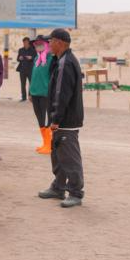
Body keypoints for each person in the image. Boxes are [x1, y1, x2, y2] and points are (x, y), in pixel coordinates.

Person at [37, 28, 84, 208]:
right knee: (58, 155)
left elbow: (61, 94)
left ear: (60, 43)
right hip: (61, 119)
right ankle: (58, 187)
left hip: (66, 120)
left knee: (70, 157)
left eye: (51, 41)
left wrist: (56, 119)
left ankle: (76, 193)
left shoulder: (66, 63)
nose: (48, 44)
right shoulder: (60, 61)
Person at [28, 35, 53, 154]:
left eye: (40, 44)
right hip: (35, 93)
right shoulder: (36, 59)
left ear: (46, 44)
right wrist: (30, 92)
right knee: (40, 119)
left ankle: (49, 144)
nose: (38, 46)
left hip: (45, 94)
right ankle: (45, 143)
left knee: (48, 119)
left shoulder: (51, 59)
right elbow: (33, 77)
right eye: (36, 44)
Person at [16, 36, 35, 102]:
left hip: (30, 69)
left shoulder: (33, 50)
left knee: (31, 84)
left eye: (26, 42)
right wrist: (19, 58)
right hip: (22, 69)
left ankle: (30, 97)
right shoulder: (20, 50)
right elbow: (17, 59)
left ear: (29, 43)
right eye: (24, 42)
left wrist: (31, 58)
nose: (25, 43)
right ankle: (23, 97)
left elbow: (35, 58)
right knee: (22, 84)